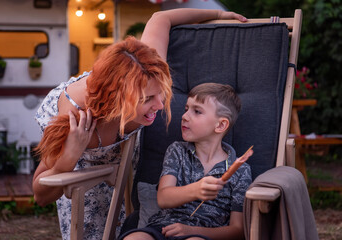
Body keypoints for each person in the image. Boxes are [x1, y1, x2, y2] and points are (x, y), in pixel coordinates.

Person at [32, 9, 248, 240]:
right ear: (119, 99)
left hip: (117, 124)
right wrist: (69, 156)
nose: (159, 105)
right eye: (147, 100)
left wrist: (219, 13)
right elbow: (41, 194)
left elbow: (161, 18)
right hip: (80, 146)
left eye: (160, 94)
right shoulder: (75, 117)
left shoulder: (147, 73)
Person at [120, 83, 253, 240]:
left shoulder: (240, 171)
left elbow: (238, 230)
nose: (184, 116)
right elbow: (163, 198)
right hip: (163, 228)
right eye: (186, 109)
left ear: (221, 125)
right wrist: (196, 190)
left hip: (203, 235)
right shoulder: (177, 151)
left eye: (197, 111)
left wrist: (193, 231)